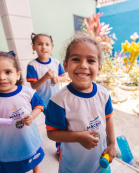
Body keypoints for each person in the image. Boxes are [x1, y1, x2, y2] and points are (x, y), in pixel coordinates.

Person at [45, 33, 116, 173]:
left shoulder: (103, 94)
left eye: (91, 61)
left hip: (100, 163)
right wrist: (78, 137)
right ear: (65, 65)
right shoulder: (58, 101)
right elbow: (52, 134)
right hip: (73, 166)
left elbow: (108, 119)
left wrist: (112, 143)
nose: (83, 65)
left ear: (99, 68)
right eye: (76, 59)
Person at [0, 49, 44, 173]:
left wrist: (32, 116)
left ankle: (36, 170)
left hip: (30, 136)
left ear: (17, 74)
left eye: (8, 72)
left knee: (34, 154)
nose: (2, 77)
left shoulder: (27, 92)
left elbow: (39, 106)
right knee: (12, 166)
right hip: (8, 143)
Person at [26, 33, 66, 154]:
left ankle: (65, 143)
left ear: (51, 48)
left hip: (60, 99)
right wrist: (45, 77)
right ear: (33, 47)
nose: (44, 47)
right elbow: (34, 85)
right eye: (39, 44)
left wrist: (57, 79)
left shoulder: (56, 62)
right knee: (57, 124)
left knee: (63, 121)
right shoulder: (32, 65)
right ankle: (60, 147)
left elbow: (64, 77)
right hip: (45, 102)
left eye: (47, 44)